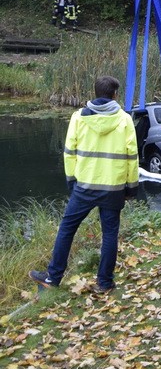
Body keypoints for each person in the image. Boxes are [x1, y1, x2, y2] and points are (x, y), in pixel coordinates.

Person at [30, 76, 138, 293]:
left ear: (95, 92)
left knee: (67, 229)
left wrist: (71, 182)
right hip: (113, 187)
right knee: (109, 234)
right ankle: (104, 283)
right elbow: (132, 157)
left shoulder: (78, 117)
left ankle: (53, 278)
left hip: (84, 186)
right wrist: (131, 188)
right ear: (115, 94)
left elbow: (69, 153)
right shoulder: (124, 119)